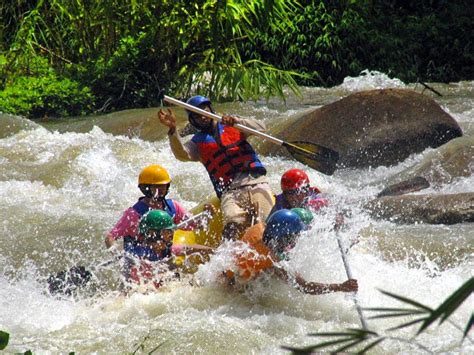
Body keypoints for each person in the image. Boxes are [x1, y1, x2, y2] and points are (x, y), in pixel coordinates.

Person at [158, 95, 274, 240]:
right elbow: (181, 154)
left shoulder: (233, 125)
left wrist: (237, 121)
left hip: (256, 182)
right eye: (198, 116)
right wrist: (172, 130)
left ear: (211, 110)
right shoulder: (197, 144)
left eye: (205, 112)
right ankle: (233, 254)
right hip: (230, 191)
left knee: (268, 222)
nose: (203, 118)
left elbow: (261, 128)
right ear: (193, 121)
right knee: (233, 223)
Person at [224, 209, 358, 295]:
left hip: (235, 272)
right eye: (294, 236)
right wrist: (340, 287)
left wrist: (329, 227)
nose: (295, 240)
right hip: (236, 289)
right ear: (283, 237)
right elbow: (304, 287)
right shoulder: (270, 258)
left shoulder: (262, 228)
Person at [105, 164, 194, 252]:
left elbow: (193, 225)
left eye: (163, 186)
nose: (161, 190)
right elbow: (110, 237)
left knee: (200, 249)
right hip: (141, 257)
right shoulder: (134, 214)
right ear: (145, 188)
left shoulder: (173, 207)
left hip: (165, 253)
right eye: (156, 187)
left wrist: (206, 214)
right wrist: (118, 256)